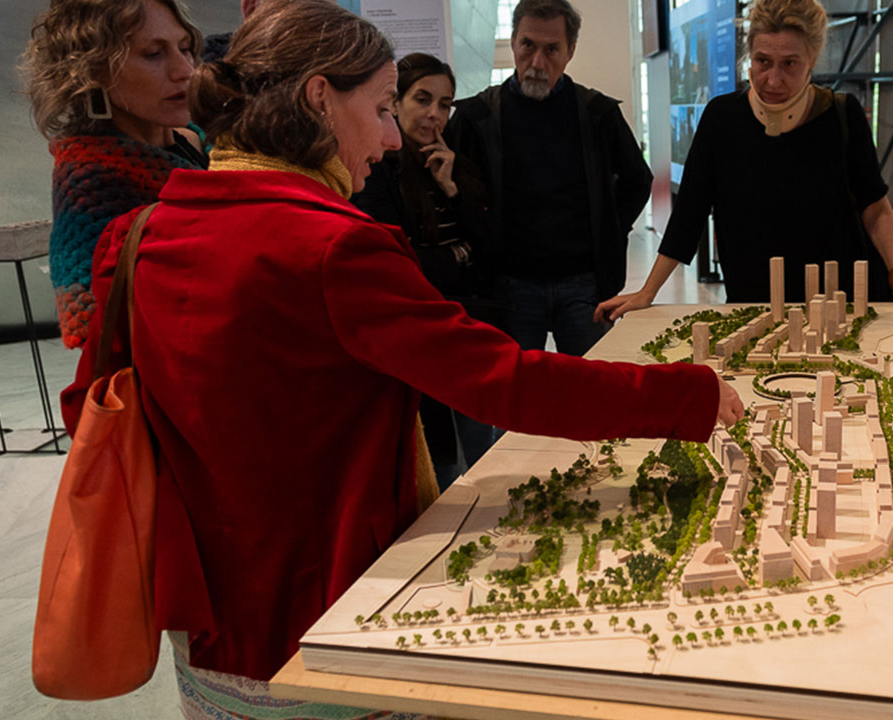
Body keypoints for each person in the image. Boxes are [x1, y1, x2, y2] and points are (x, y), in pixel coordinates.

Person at [59, 1, 742, 716]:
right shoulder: (334, 248)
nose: (392, 138)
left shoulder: (137, 234)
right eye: (384, 107)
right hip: (322, 625)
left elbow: (91, 410)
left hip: (203, 625)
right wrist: (682, 396)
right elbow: (501, 380)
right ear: (320, 98)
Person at [595, 0, 893, 329]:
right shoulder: (721, 118)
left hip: (838, 304)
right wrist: (647, 292)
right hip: (751, 301)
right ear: (749, 55)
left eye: (790, 64)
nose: (773, 81)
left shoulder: (843, 115)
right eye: (763, 61)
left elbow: (875, 207)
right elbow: (689, 214)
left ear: (812, 60)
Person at [446, 0, 652, 356]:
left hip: (583, 286)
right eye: (528, 45)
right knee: (516, 388)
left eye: (552, 49)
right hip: (508, 287)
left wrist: (608, 231)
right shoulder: (476, 118)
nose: (538, 62)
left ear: (570, 51)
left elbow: (637, 180)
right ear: (513, 42)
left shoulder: (598, 114)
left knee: (592, 383)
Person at [352, 53, 500, 490]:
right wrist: (459, 255)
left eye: (445, 104)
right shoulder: (377, 170)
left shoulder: (456, 166)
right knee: (438, 458)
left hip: (470, 323)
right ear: (395, 103)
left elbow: (493, 250)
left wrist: (452, 190)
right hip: (418, 329)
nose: (434, 114)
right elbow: (399, 262)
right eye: (423, 99)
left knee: (484, 447)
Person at [24, 0, 208, 348]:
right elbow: (88, 323)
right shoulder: (92, 181)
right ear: (94, 71)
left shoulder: (210, 141)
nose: (185, 70)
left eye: (185, 48)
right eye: (154, 54)